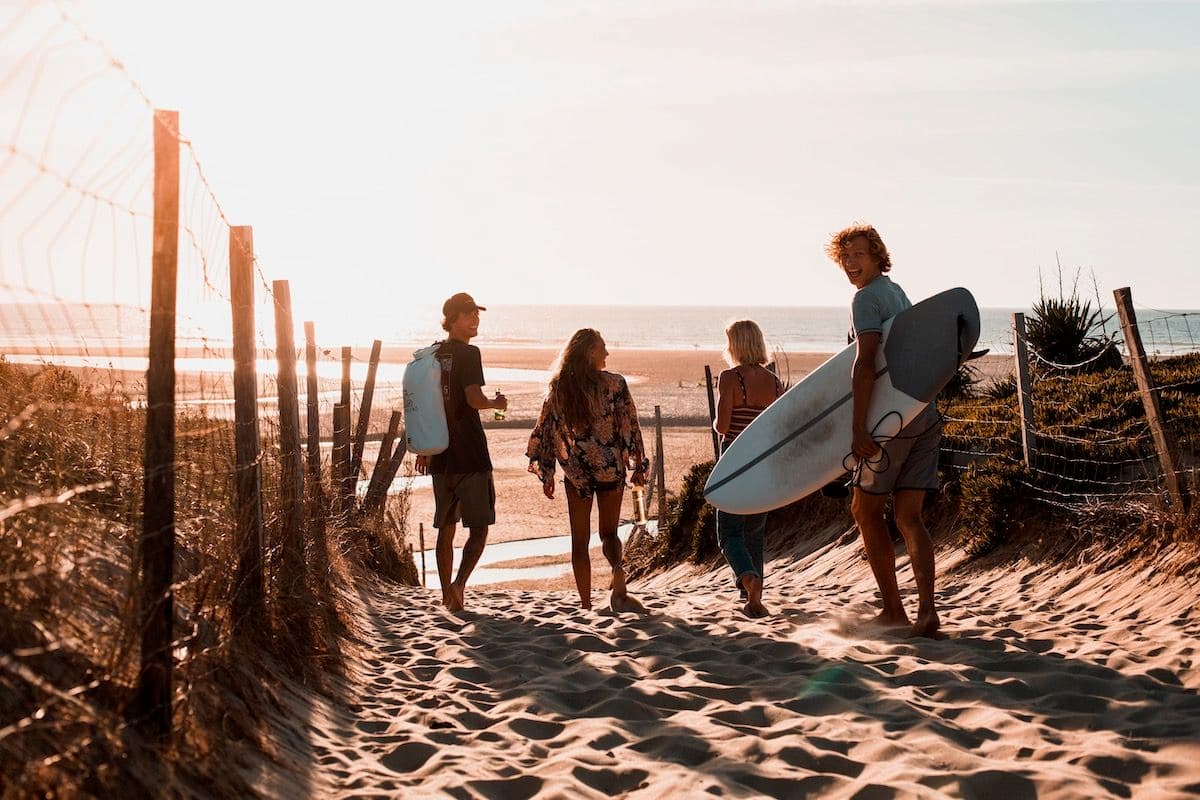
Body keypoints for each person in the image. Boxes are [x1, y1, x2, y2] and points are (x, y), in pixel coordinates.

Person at [826, 223, 941, 637]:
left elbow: (866, 363)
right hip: (924, 411)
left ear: (876, 254)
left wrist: (858, 428)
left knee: (864, 509)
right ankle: (927, 612)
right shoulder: (897, 292)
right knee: (910, 517)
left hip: (891, 422)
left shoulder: (865, 300)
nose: (850, 264)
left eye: (858, 254)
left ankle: (894, 609)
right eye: (844, 258)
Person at [526, 329, 649, 612]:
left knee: (579, 541)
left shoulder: (560, 387)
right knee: (609, 533)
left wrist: (547, 470)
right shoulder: (616, 384)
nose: (607, 353)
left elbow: (547, 428)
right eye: (603, 348)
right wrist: (637, 465)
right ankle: (617, 568)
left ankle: (585, 604)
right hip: (610, 468)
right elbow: (629, 425)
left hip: (577, 472)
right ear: (590, 352)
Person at [415, 292, 507, 613]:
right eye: (468, 314)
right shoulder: (470, 354)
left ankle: (445, 594)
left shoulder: (432, 355)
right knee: (479, 528)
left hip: (439, 454)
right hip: (470, 454)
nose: (475, 319)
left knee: (446, 527)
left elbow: (424, 404)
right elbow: (473, 398)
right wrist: (496, 404)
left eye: (476, 314)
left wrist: (424, 449)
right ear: (453, 319)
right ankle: (458, 586)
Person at [712, 320, 784, 618]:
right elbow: (777, 427)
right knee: (754, 530)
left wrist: (717, 421)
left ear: (736, 345)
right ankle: (753, 596)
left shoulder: (730, 378)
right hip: (763, 460)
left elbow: (724, 426)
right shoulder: (774, 381)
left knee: (728, 531)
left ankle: (747, 578)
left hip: (735, 458)